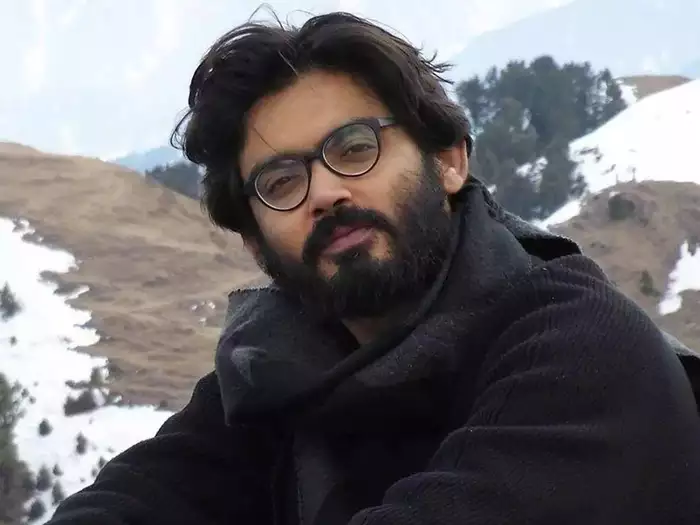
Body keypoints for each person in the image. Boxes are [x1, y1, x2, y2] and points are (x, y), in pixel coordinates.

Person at [48, 11, 700, 525]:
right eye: (281, 182)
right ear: (255, 244)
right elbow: (138, 497)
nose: (326, 192)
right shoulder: (273, 377)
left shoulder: (580, 353)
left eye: (355, 147)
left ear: (449, 159)